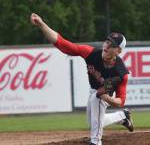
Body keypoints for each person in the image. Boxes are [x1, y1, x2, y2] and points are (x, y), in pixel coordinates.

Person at [30, 13, 134, 145]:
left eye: (111, 45)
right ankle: (122, 116)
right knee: (93, 122)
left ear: (118, 51)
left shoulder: (120, 72)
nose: (106, 46)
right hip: (94, 90)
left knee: (97, 98)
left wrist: (108, 98)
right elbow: (63, 43)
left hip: (105, 92)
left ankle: (96, 142)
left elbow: (121, 100)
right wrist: (41, 24)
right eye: (107, 41)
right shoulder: (91, 53)